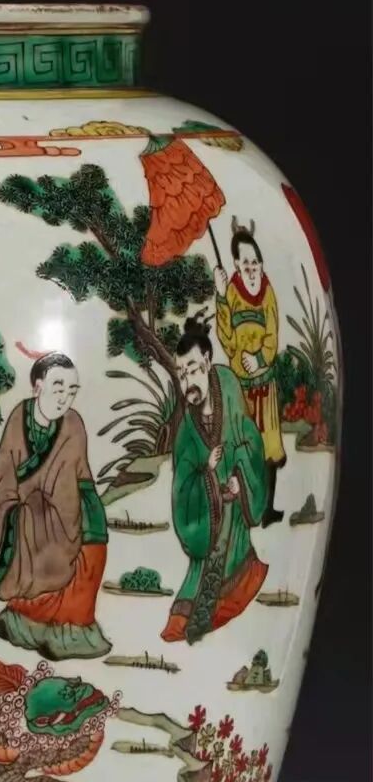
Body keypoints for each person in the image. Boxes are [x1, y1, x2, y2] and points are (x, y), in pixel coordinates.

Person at [0, 352, 111, 660]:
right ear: (37, 386)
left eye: (72, 391)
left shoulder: (73, 424)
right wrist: (19, 506)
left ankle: (70, 633)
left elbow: (70, 482)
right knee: (25, 537)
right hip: (26, 507)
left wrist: (45, 511)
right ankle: (24, 622)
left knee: (88, 554)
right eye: (58, 388)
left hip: (74, 504)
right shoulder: (19, 417)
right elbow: (4, 473)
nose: (64, 398)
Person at [163, 315, 269, 644]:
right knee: (187, 613)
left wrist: (239, 475)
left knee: (237, 573)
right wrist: (205, 472)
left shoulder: (230, 390)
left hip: (234, 515)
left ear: (208, 361)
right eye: (182, 374)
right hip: (207, 519)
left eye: (193, 370)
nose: (188, 382)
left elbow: (251, 441)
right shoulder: (187, 425)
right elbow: (182, 481)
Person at [214, 219, 285, 526]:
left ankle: (267, 508)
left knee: (269, 447)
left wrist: (259, 358)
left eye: (255, 262)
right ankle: (244, 508)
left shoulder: (267, 294)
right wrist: (220, 297)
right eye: (246, 263)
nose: (252, 269)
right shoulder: (231, 292)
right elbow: (227, 338)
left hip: (264, 384)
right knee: (242, 443)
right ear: (236, 265)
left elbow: (272, 335)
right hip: (241, 387)